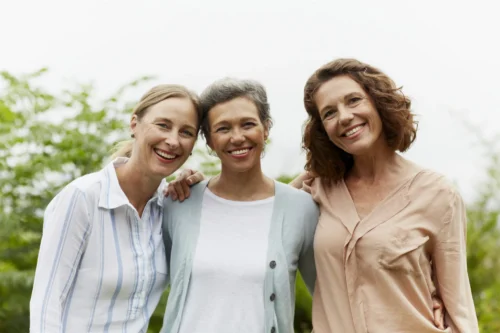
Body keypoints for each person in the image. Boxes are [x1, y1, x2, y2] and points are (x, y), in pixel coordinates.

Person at [291, 58, 478, 332]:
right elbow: (262, 215)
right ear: (322, 129)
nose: (344, 116)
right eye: (329, 113)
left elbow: (459, 307)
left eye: (354, 100)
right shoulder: (317, 190)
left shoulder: (438, 194)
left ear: (378, 103)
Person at [29, 84, 202, 333]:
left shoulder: (170, 207)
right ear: (135, 124)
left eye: (186, 132)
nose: (173, 140)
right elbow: (46, 302)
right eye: (163, 125)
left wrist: (200, 193)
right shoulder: (83, 197)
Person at [160, 78, 319, 333]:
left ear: (265, 128)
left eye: (248, 124)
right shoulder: (179, 202)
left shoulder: (301, 209)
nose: (237, 137)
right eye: (223, 128)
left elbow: (328, 299)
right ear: (209, 140)